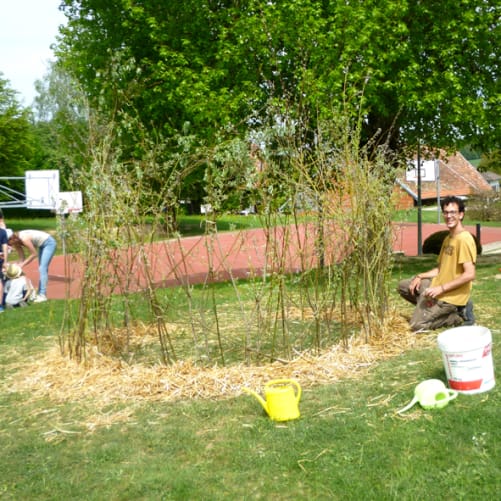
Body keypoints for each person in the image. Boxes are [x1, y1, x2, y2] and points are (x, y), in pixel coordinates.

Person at [398, 195, 476, 332]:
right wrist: (420, 276)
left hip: (449, 295)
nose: (448, 216)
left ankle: (454, 315)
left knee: (416, 326)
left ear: (461, 215)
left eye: (453, 212)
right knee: (404, 286)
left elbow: (469, 274)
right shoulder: (448, 238)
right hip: (438, 286)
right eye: (446, 212)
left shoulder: (464, 240)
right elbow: (440, 269)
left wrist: (441, 289)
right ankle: (429, 308)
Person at [7, 230, 57, 303]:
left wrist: (22, 265)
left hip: (49, 243)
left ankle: (42, 295)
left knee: (42, 268)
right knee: (42, 268)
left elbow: (34, 254)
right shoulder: (16, 243)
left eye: (8, 242)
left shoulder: (24, 239)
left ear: (12, 238)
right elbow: (22, 259)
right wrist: (10, 264)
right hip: (42, 245)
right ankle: (40, 294)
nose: (8, 244)